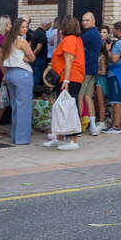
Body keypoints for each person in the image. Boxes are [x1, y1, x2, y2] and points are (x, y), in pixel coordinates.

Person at [44, 16, 85, 150]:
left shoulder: (69, 40)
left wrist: (66, 80)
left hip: (68, 78)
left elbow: (68, 61)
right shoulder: (76, 39)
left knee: (68, 108)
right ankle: (60, 137)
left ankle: (72, 140)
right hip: (71, 77)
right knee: (64, 106)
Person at [0, 18, 36, 144]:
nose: (26, 29)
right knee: (24, 107)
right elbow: (32, 56)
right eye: (23, 27)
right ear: (17, 28)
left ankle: (15, 136)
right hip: (22, 74)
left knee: (15, 106)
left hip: (10, 73)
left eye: (26, 26)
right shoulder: (21, 41)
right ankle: (22, 139)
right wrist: (28, 57)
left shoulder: (7, 41)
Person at [80, 12, 103, 136]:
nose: (84, 22)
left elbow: (77, 48)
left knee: (80, 95)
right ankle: (93, 127)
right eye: (83, 20)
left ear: (93, 21)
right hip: (93, 69)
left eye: (87, 20)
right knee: (88, 97)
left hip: (85, 70)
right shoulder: (97, 34)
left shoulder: (88, 34)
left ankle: (78, 126)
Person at [28, 18, 50, 86]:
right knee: (37, 76)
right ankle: (35, 91)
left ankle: (31, 90)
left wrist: (30, 55)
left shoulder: (35, 32)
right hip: (40, 58)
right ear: (47, 25)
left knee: (33, 75)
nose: (50, 27)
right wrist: (33, 55)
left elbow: (29, 43)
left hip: (34, 58)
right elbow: (38, 48)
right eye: (50, 25)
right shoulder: (42, 34)